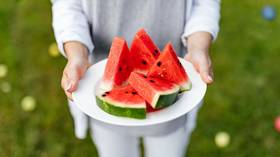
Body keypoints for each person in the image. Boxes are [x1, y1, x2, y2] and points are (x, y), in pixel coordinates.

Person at [51, 0, 220, 156]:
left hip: (174, 105)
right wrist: (77, 54)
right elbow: (68, 4)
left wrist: (198, 47)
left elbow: (204, 3)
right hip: (101, 89)